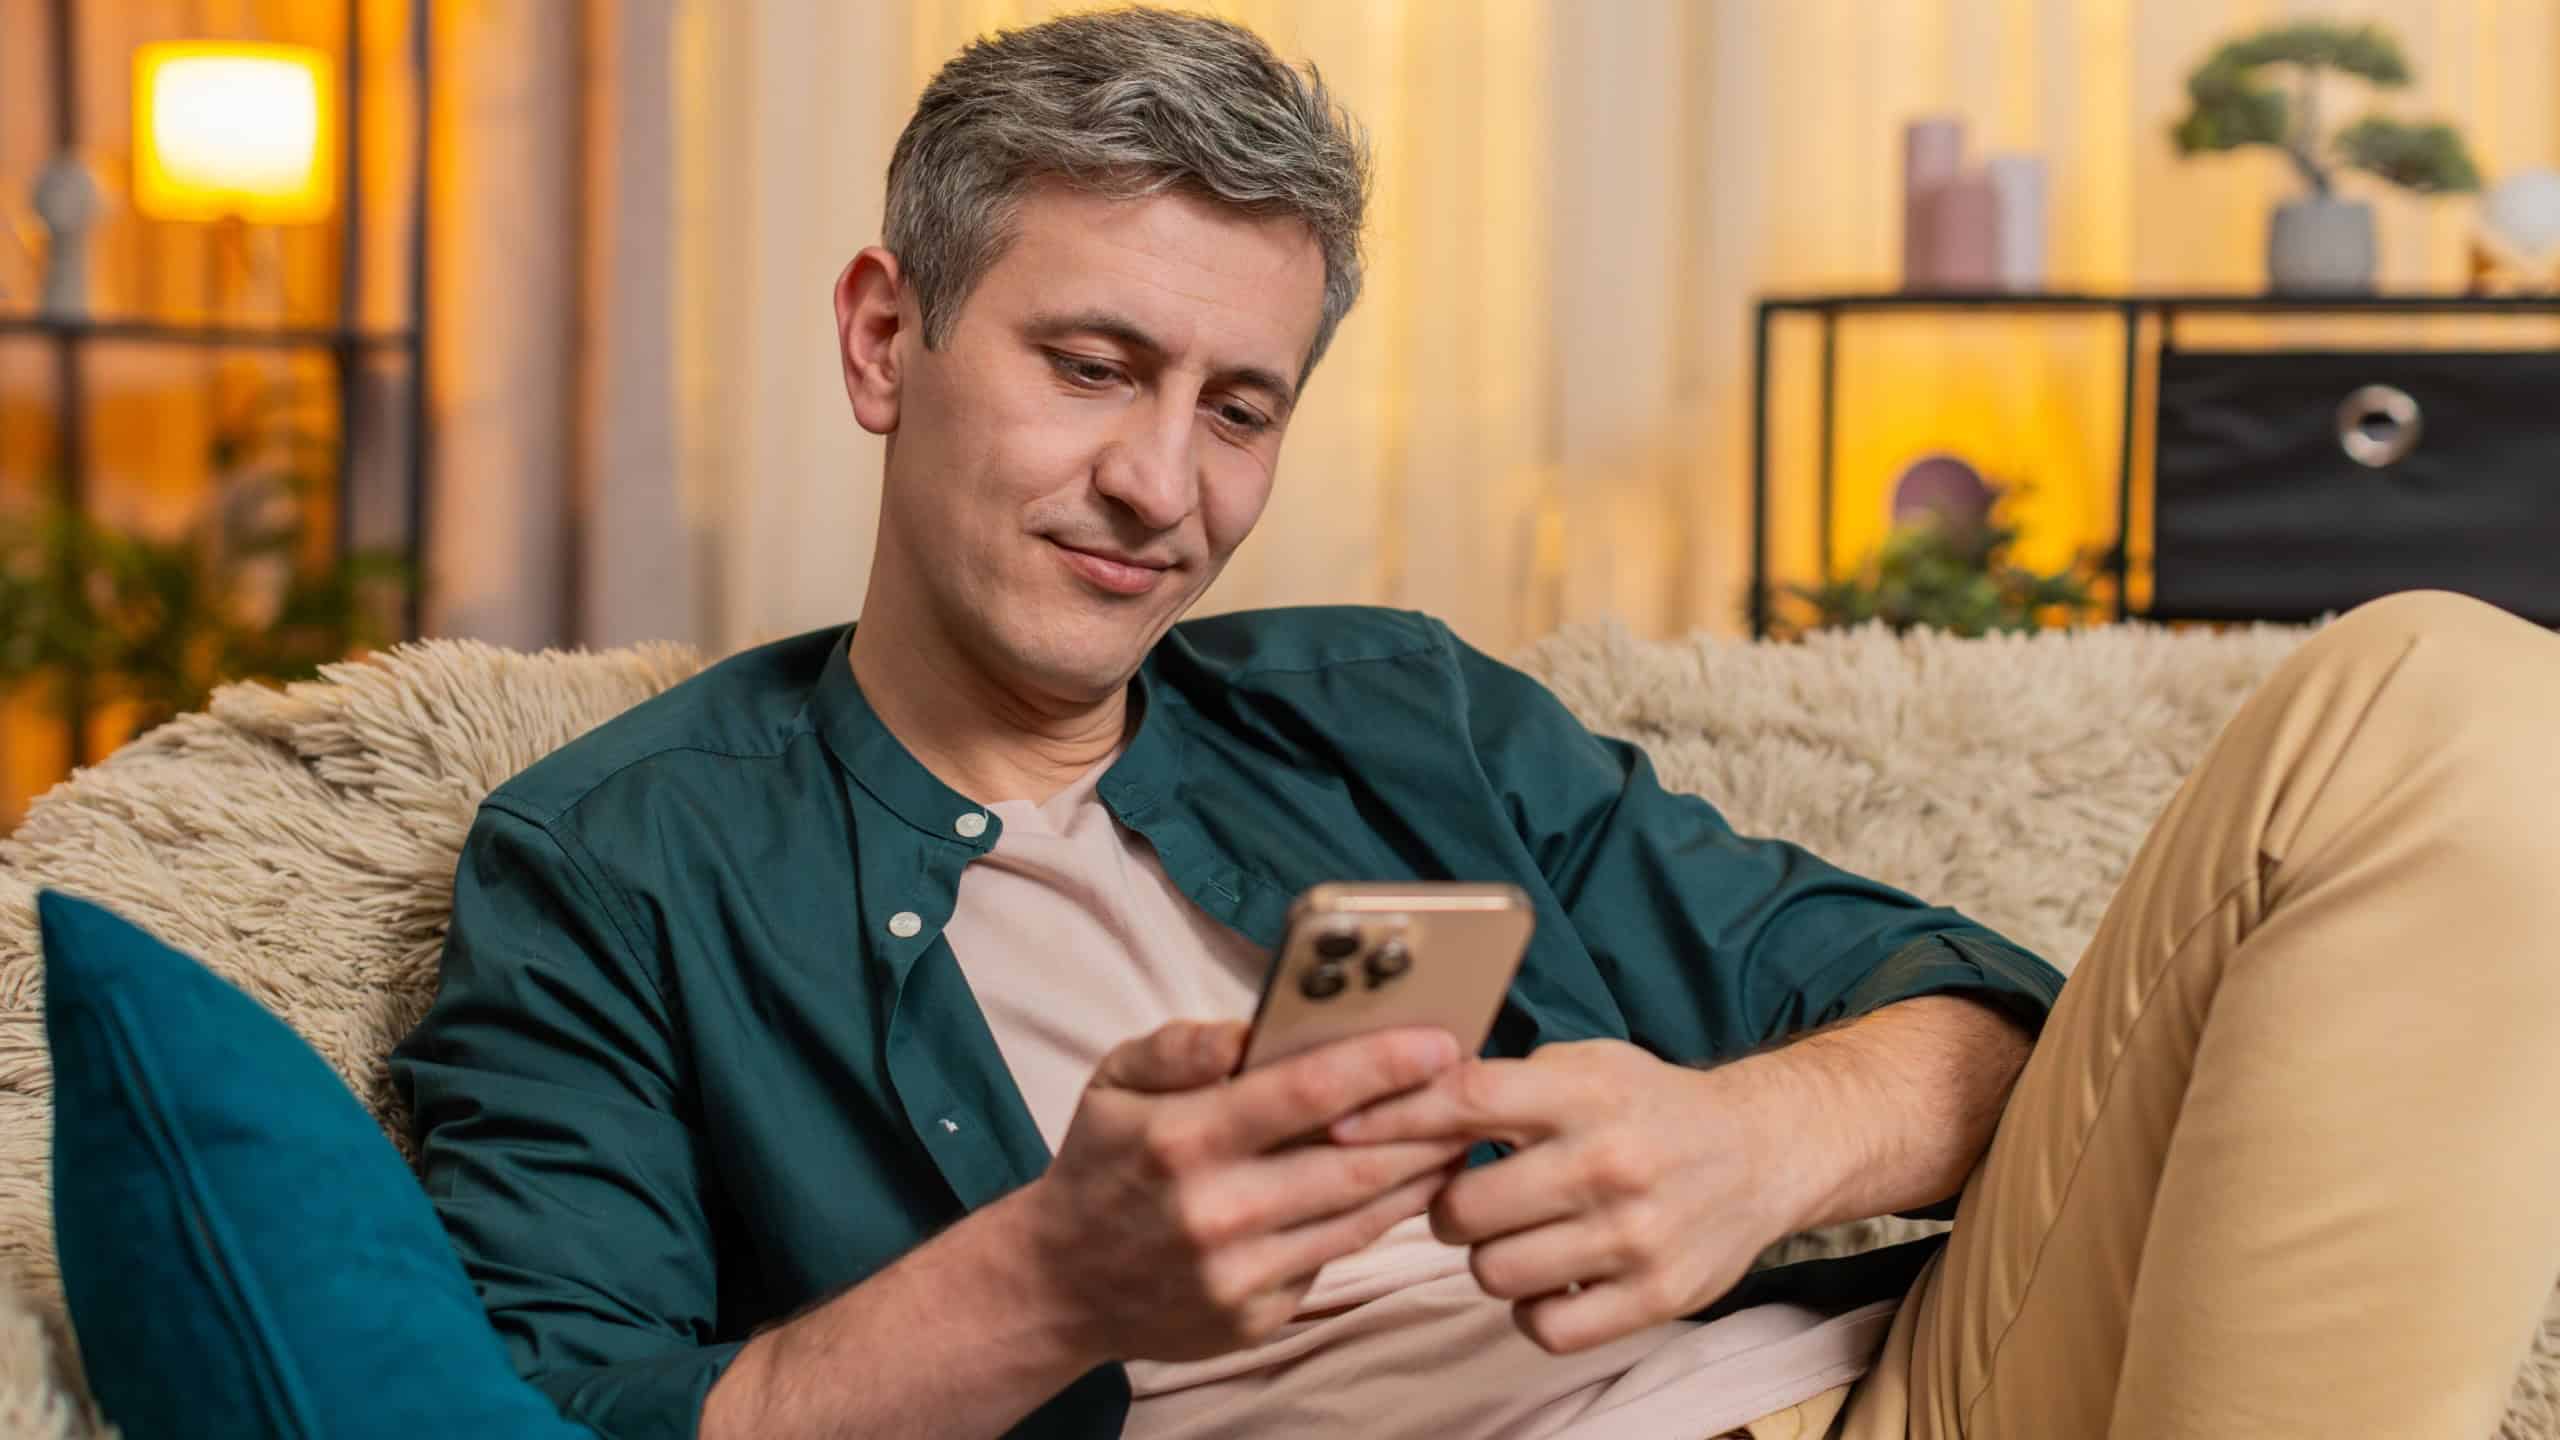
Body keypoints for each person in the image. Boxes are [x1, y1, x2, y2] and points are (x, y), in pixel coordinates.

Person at [391, 10, 2560, 1440]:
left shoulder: (1387, 709)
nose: (1166, 484)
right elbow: (562, 1413)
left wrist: (1752, 1146)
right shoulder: (618, 860)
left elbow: (1970, 1014)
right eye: (1089, 364)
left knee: (2449, 687)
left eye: (1236, 405)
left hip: (1884, 1391)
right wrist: (1052, 1276)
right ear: (888, 337)